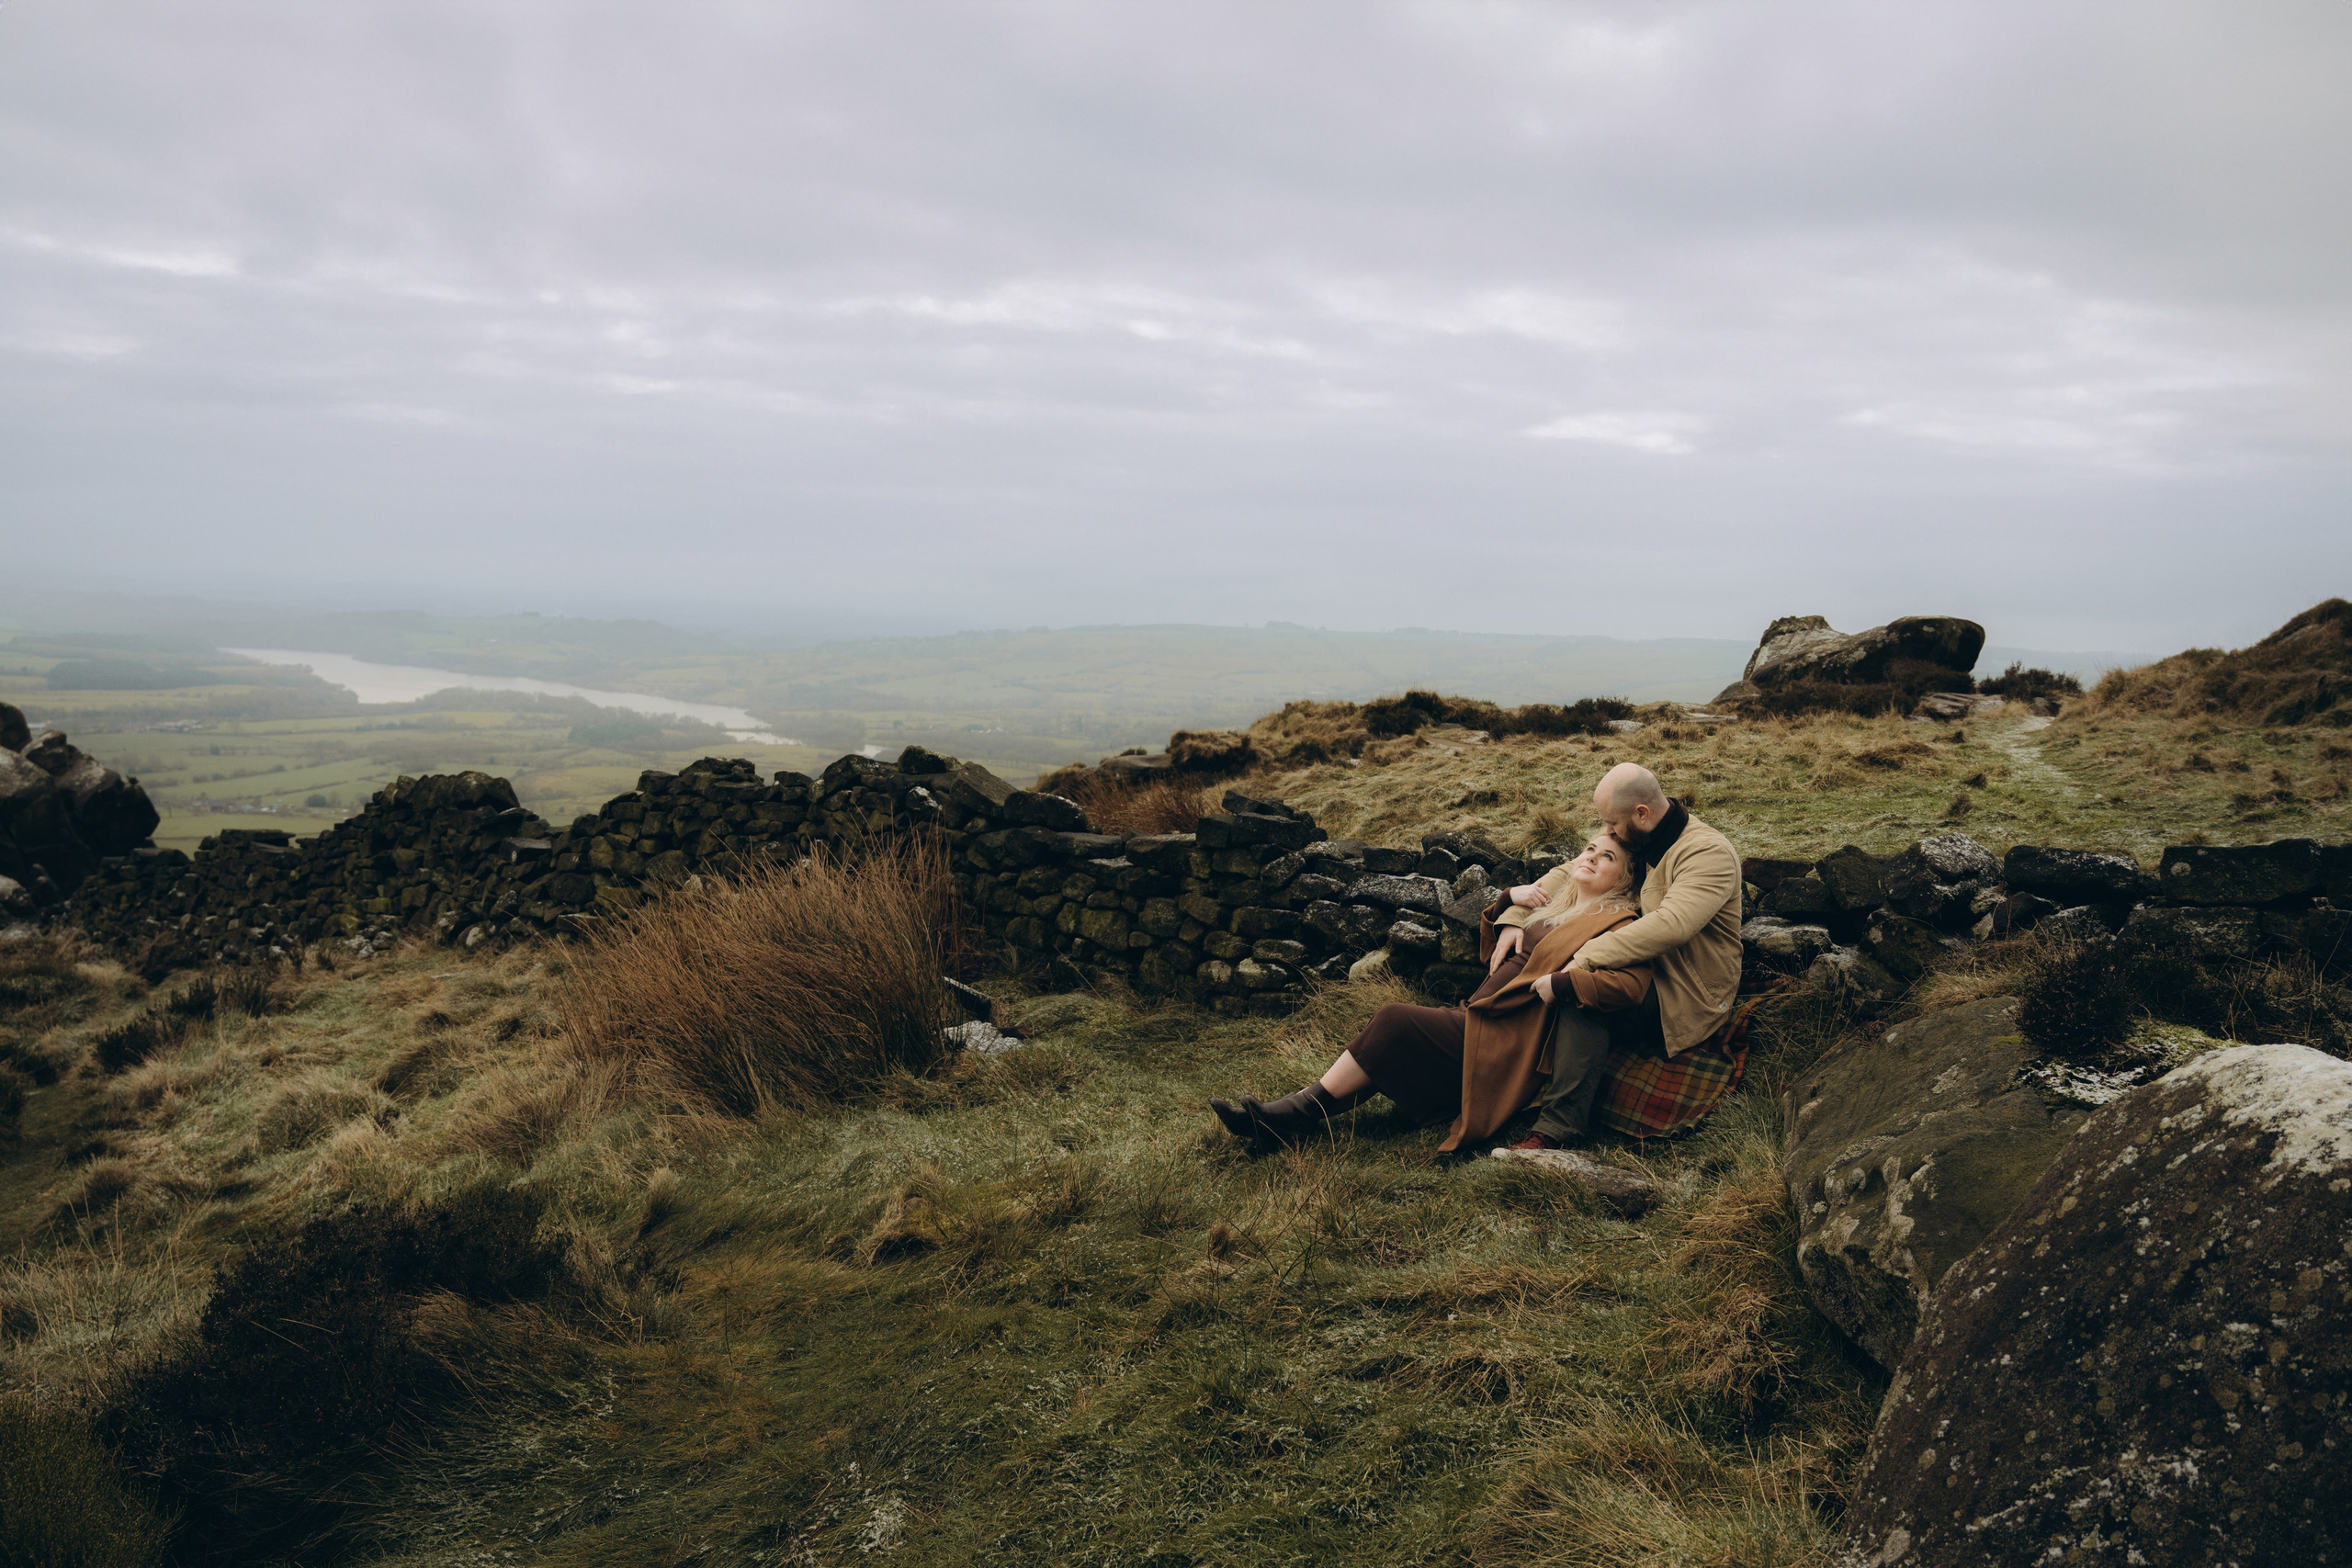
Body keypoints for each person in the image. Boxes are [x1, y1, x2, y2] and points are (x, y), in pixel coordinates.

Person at [1209, 829, 1653, 1154]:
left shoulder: (1619, 923)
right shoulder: (1562, 903)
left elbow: (1629, 986)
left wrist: (1561, 983)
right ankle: (1285, 1123)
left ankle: (1288, 1115)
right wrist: (1509, 901)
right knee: (1391, 1046)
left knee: (1394, 1020)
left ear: (1625, 879)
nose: (1591, 858)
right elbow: (1493, 942)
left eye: (1607, 857)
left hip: (1508, 1036)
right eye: (1590, 848)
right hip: (1481, 1015)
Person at [1487, 761, 1742, 1150]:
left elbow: (1673, 924)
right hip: (1637, 968)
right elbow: (1568, 871)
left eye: (1611, 824)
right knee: (1557, 987)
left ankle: (1557, 1131)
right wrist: (1514, 914)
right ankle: (1492, 1083)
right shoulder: (1641, 836)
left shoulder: (1707, 852)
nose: (1607, 832)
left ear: (1642, 813)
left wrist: (1585, 957)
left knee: (1580, 995)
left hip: (1684, 992)